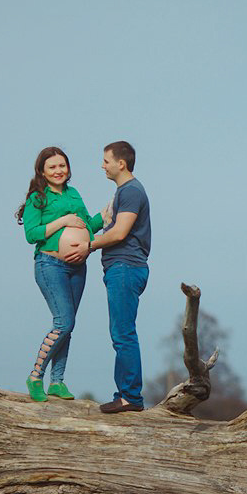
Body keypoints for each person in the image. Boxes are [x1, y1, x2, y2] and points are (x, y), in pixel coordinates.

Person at [17, 146, 103, 402]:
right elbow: (31, 234)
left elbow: (88, 225)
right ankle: (35, 376)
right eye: (52, 167)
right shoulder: (37, 198)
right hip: (50, 264)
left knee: (68, 326)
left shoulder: (73, 194)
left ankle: (57, 381)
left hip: (77, 267)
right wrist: (63, 221)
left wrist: (106, 214)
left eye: (62, 166)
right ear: (42, 171)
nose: (58, 171)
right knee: (63, 322)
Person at [87, 140, 151, 413]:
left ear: (121, 163)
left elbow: (119, 232)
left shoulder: (132, 191)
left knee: (123, 333)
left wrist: (88, 245)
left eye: (106, 161)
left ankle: (130, 397)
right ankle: (124, 394)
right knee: (120, 332)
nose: (102, 166)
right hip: (120, 268)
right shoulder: (123, 192)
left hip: (125, 267)